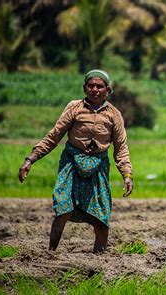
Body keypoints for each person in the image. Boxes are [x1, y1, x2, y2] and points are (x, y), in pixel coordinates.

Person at [18, 69, 133, 253]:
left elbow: (121, 148)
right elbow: (53, 136)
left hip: (98, 167)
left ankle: (100, 260)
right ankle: (50, 254)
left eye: (99, 86)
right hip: (71, 163)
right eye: (91, 85)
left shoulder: (114, 114)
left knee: (102, 218)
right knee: (63, 209)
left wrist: (127, 174)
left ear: (107, 90)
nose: (95, 89)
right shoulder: (75, 108)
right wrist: (30, 160)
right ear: (84, 87)